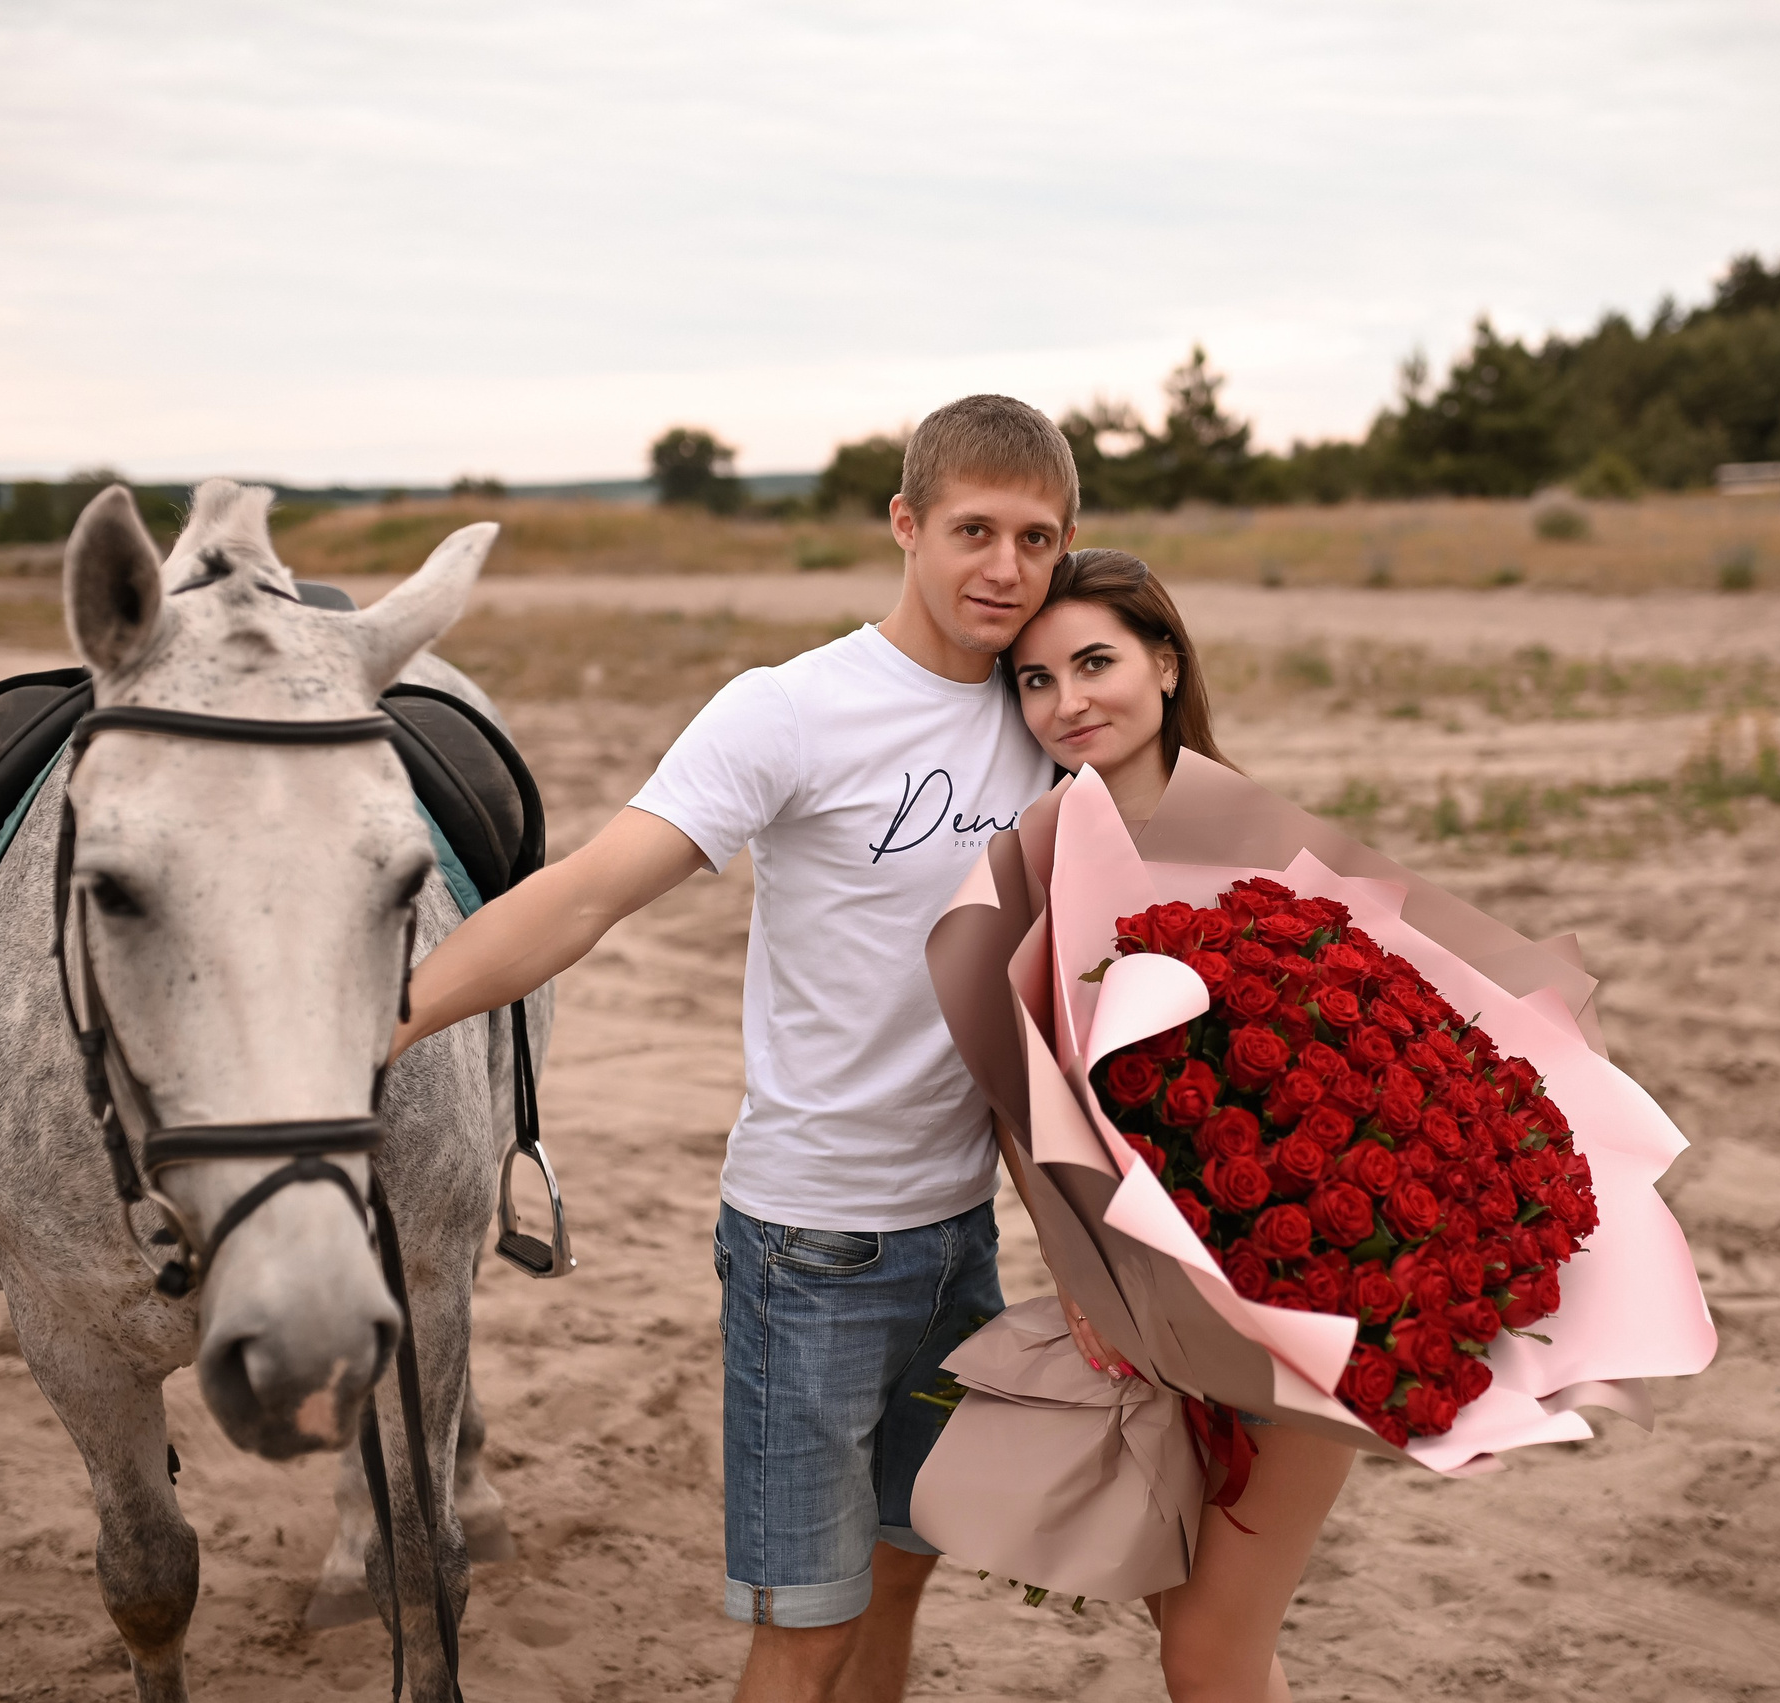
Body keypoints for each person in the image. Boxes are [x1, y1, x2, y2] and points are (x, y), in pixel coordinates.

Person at [390, 394, 1077, 1703]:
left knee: (906, 1562)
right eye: (975, 529)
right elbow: (588, 891)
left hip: (961, 1232)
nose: (1005, 568)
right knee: (803, 1624)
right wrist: (389, 1020)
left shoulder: (1044, 716)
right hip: (812, 1244)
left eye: (1037, 539)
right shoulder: (793, 709)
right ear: (906, 524)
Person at [993, 548, 1356, 1703]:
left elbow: (1346, 1080)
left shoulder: (1257, 844)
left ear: (1163, 658)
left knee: (1209, 1645)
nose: (1066, 701)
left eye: (1093, 661)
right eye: (1034, 680)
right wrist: (1088, 1286)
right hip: (1146, 1311)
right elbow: (1021, 1107)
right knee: (1204, 1633)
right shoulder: (1033, 862)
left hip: (1294, 1294)